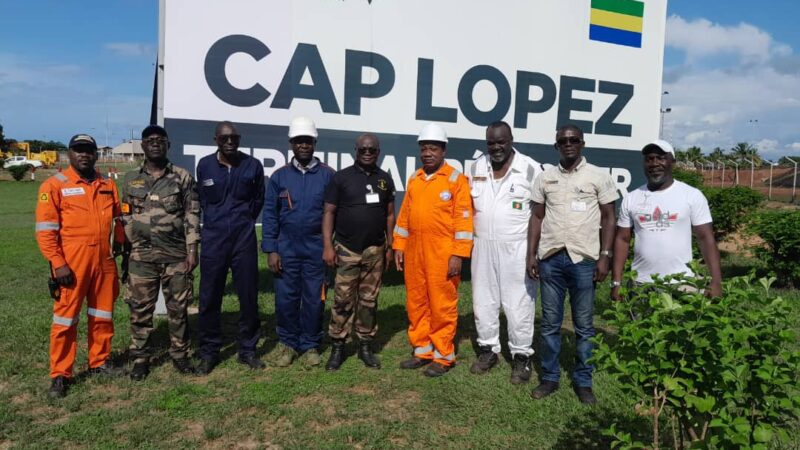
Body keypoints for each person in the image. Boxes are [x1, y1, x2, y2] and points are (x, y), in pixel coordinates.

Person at [526, 124, 618, 404]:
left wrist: (605, 256)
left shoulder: (598, 176)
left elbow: (609, 218)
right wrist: (531, 255)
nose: (568, 144)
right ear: (556, 146)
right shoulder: (545, 178)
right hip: (551, 258)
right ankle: (549, 377)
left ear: (582, 144)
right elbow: (537, 217)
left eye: (573, 140)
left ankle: (583, 381)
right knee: (550, 324)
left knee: (584, 327)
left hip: (584, 260)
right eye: (563, 141)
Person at [35, 133, 125, 398]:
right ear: (69, 154)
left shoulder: (107, 184)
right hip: (72, 264)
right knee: (65, 319)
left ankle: (99, 361)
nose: (84, 154)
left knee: (102, 314)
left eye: (88, 150)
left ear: (96, 154)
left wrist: (120, 244)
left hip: (104, 261)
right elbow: (45, 231)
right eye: (78, 150)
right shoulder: (54, 185)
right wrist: (58, 263)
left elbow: (119, 220)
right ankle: (60, 373)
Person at [393, 123, 474, 377]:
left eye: (433, 148)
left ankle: (443, 355)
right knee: (416, 301)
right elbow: (404, 215)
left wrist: (458, 254)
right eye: (424, 148)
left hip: (442, 254)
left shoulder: (455, 180)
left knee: (441, 305)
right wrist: (399, 245)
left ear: (443, 150)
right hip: (415, 252)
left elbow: (464, 221)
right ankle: (422, 350)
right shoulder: (415, 179)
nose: (427, 153)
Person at [120, 125, 200, 381]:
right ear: (143, 145)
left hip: (175, 255)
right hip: (141, 257)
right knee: (140, 309)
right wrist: (132, 242)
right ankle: (140, 358)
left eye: (160, 140)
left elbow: (192, 214)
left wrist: (192, 249)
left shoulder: (182, 177)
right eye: (150, 140)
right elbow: (124, 214)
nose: (155, 143)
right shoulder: (130, 179)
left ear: (168, 145)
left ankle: (180, 354)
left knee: (178, 309)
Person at [468, 121, 543, 384]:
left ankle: (521, 356)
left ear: (511, 140)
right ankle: (488, 350)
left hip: (517, 246)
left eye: (501, 142)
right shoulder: (476, 167)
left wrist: (533, 253)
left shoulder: (530, 168)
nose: (496, 147)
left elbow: (540, 214)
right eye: (491, 143)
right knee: (483, 299)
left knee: (518, 302)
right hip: (482, 245)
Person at [262, 117, 334, 367]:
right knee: (286, 298)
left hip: (316, 248)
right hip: (287, 248)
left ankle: (311, 344)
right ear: (291, 144)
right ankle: (288, 344)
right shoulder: (279, 176)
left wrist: (329, 246)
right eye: (298, 141)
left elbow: (334, 213)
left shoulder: (328, 176)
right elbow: (270, 214)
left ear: (314, 143)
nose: (303, 145)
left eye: (307, 141)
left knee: (315, 298)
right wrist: (271, 249)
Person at [611, 139, 722, 301]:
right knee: (638, 318)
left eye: (661, 158)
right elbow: (622, 239)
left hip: (682, 283)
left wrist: (716, 280)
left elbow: (705, 238)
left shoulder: (691, 195)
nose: (654, 163)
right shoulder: (631, 198)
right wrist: (616, 282)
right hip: (641, 284)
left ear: (673, 162)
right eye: (649, 159)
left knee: (683, 318)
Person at [196, 121, 265, 374]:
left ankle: (247, 349)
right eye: (224, 138)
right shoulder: (205, 165)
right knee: (209, 296)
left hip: (243, 238)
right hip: (214, 240)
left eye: (234, 137)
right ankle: (209, 351)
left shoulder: (252, 165)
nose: (230, 141)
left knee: (248, 296)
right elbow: (203, 200)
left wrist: (243, 220)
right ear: (215, 140)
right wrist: (217, 222)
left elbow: (258, 199)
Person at [322, 133, 396, 371]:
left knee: (368, 301)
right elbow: (329, 212)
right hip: (346, 248)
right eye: (363, 149)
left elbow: (390, 214)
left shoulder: (384, 179)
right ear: (355, 150)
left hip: (375, 250)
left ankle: (365, 345)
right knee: (342, 300)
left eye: (372, 150)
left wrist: (390, 246)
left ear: (378, 152)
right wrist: (328, 246)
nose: (367, 153)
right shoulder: (341, 178)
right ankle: (338, 346)